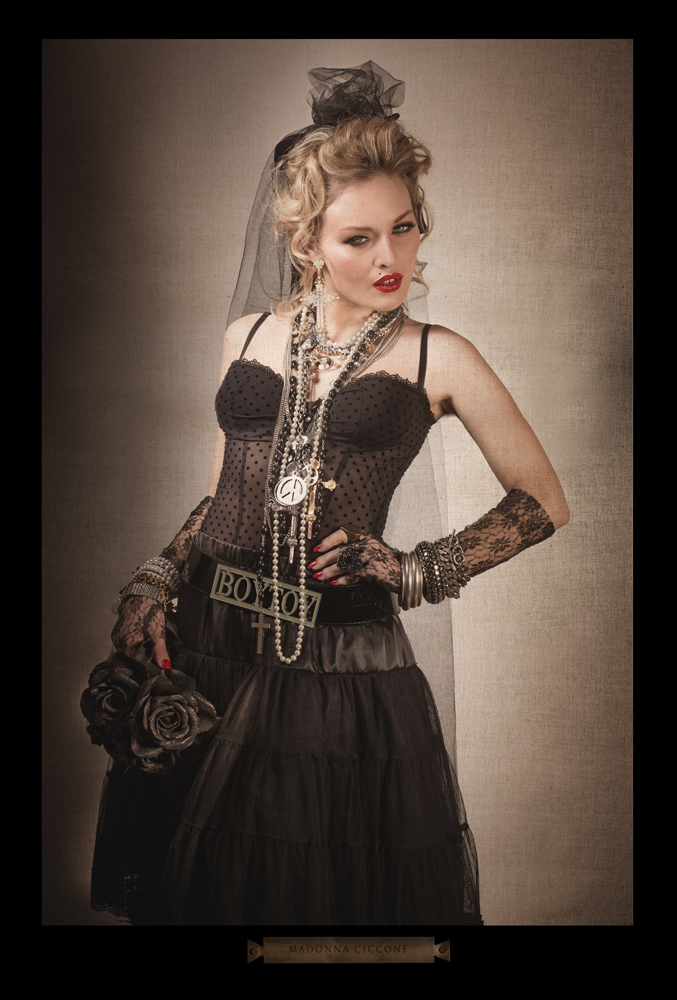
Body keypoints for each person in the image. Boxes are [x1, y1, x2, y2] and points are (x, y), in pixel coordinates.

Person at [89, 62, 568, 926]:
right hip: (211, 635)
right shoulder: (248, 334)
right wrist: (155, 579)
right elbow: (221, 493)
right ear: (306, 242)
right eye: (358, 238)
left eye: (404, 229)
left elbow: (540, 500)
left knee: (315, 890)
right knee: (203, 891)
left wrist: (418, 568)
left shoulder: (438, 354)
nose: (390, 258)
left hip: (335, 653)